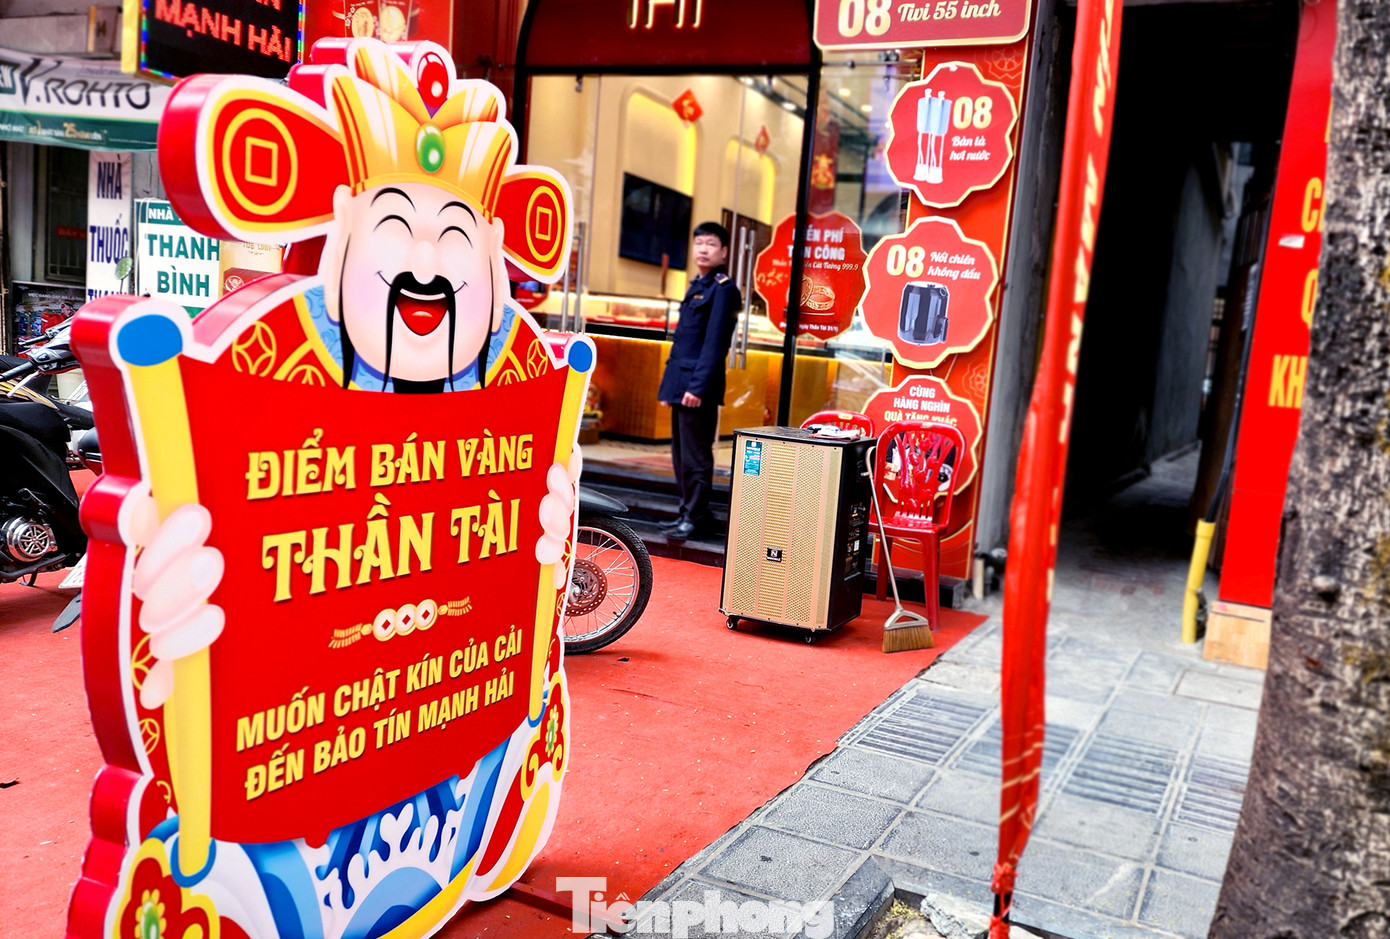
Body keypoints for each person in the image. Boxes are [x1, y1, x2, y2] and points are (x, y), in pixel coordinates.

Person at [657, 221, 742, 541]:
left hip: (697, 387)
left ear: (724, 251)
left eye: (711, 244)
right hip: (681, 383)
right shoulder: (697, 285)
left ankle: (694, 516)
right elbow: (683, 341)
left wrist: (697, 387)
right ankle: (690, 513)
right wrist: (669, 387)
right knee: (681, 456)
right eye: (699, 243)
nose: (703, 249)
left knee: (695, 456)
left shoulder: (723, 289)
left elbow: (715, 344)